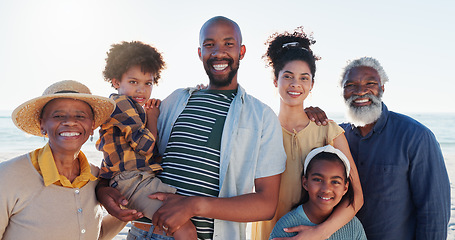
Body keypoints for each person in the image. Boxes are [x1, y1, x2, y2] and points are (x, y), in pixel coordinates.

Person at [96, 16, 287, 240]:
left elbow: (266, 205)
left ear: (241, 51)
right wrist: (102, 190)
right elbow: (122, 150)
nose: (218, 52)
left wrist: (193, 206)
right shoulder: (174, 101)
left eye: (228, 44)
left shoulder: (261, 116)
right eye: (209, 45)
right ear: (200, 53)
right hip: (143, 233)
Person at [251, 28, 363, 240]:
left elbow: (356, 197)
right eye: (288, 76)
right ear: (276, 80)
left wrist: (318, 234)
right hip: (267, 233)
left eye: (304, 78)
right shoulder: (261, 132)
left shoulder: (329, 131)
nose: (295, 84)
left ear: (312, 85)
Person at [338, 56, 451, 239]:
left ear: (382, 88)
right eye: (350, 85)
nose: (360, 91)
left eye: (370, 83)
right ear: (342, 91)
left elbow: (434, 211)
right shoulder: (336, 136)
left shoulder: (416, 136)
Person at [0, 80, 125, 239]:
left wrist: (128, 211)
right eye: (58, 115)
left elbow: (94, 235)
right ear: (42, 125)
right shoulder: (7, 176)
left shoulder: (97, 178)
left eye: (80, 115)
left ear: (92, 126)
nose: (70, 121)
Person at [96, 41, 196, 239]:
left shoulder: (129, 106)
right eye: (134, 82)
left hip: (135, 179)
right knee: (184, 226)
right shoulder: (121, 103)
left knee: (185, 210)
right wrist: (153, 117)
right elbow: (145, 146)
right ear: (116, 82)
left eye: (147, 83)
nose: (141, 90)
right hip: (132, 181)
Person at [270, 145, 366, 240]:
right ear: (305, 182)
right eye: (318, 180)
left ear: (345, 188)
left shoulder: (353, 226)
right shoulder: (287, 227)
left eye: (335, 182)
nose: (326, 189)